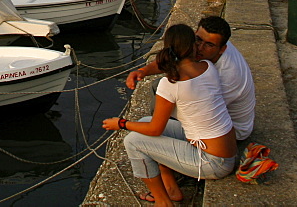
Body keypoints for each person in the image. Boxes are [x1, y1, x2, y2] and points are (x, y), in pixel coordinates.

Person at [104, 24, 237, 205]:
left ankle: (163, 202)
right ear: (192, 46)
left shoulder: (171, 84)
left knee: (133, 141)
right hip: (225, 151)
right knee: (144, 121)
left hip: (213, 162)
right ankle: (172, 189)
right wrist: (143, 71)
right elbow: (153, 124)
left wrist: (120, 123)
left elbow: (155, 129)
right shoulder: (207, 67)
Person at [126, 15, 255, 141]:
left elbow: (206, 114)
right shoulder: (210, 54)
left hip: (231, 131)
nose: (199, 48)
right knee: (158, 86)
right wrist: (143, 71)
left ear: (222, 49)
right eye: (198, 40)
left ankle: (160, 139)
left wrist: (156, 124)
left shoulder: (228, 75)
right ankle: (158, 134)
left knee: (162, 106)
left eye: (209, 45)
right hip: (212, 116)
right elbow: (175, 57)